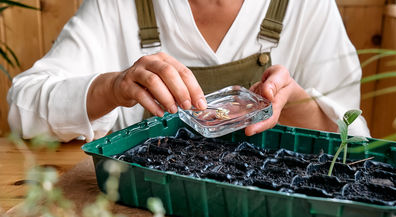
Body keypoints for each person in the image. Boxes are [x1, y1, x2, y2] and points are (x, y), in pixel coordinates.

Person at [7, 0, 370, 142]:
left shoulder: (307, 7)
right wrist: (112, 88)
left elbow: (353, 143)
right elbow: (23, 108)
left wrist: (294, 101)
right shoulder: (117, 6)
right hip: (140, 213)